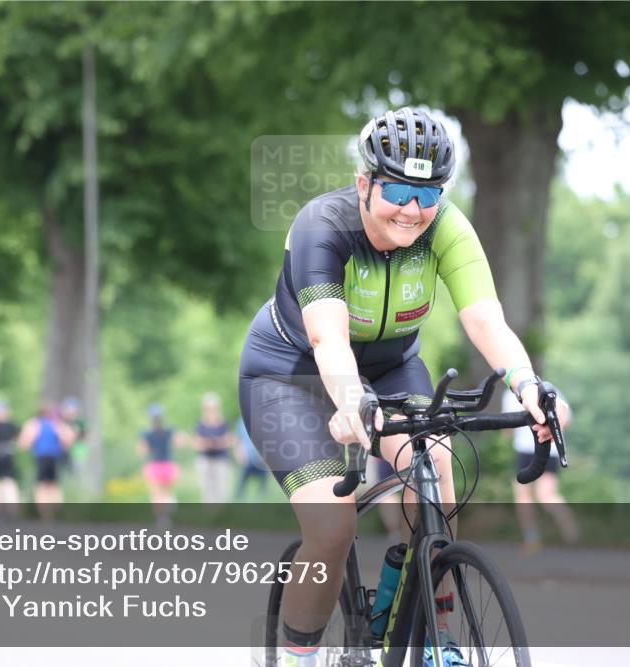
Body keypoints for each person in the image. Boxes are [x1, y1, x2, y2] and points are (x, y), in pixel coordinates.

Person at [237, 107, 568, 667]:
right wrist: (350, 402)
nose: (413, 210)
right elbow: (328, 341)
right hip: (290, 374)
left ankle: (429, 633)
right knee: (332, 526)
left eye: (428, 193)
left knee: (437, 466)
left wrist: (526, 383)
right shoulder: (323, 225)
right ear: (365, 183)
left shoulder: (446, 226)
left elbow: (487, 321)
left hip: (392, 369)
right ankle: (298, 655)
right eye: (396, 190)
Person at [502, 386, 579, 553]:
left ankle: (532, 539)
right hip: (550, 448)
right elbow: (566, 419)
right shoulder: (551, 388)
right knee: (548, 495)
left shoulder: (510, 393)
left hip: (524, 449)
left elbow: (507, 429)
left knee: (523, 495)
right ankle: (571, 532)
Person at [18, 402, 77, 519]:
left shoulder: (36, 423)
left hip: (42, 457)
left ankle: (45, 514)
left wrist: (29, 446)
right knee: (54, 485)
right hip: (55, 457)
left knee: (41, 487)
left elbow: (24, 442)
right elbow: (69, 439)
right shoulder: (57, 424)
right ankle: (56, 511)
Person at [137, 404, 180, 528]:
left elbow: (142, 451)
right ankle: (164, 516)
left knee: (158, 494)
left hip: (158, 464)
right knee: (163, 493)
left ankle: (162, 518)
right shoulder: (167, 431)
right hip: (164, 464)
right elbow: (178, 443)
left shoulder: (148, 433)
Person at [193, 392, 234, 504]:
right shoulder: (200, 423)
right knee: (207, 489)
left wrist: (216, 442)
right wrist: (208, 443)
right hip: (206, 460)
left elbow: (230, 440)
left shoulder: (224, 422)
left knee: (222, 488)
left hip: (221, 459)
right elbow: (197, 443)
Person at [234, 416, 269, 500]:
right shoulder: (241, 421)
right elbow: (239, 439)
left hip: (261, 459)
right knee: (242, 485)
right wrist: (239, 453)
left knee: (263, 487)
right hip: (248, 458)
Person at [60, 397, 88, 474]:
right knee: (65, 471)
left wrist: (74, 434)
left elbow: (84, 437)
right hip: (65, 451)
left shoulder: (80, 422)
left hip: (78, 451)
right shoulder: (64, 422)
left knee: (78, 471)